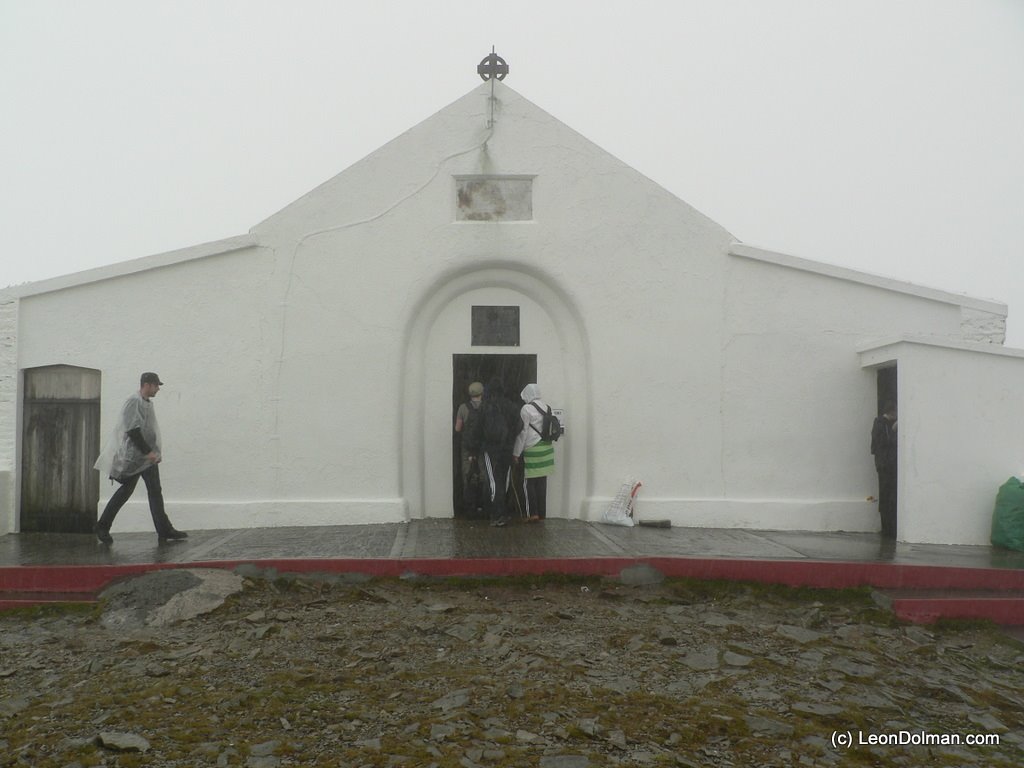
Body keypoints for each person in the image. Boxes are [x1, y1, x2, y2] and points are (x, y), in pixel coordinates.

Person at [93, 372, 188, 544]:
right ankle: (102, 526)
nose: (158, 389)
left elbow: (148, 429)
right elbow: (132, 430)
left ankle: (164, 529)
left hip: (146, 458)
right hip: (135, 458)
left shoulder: (146, 403)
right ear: (147, 384)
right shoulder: (133, 401)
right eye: (156, 385)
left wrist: (155, 451)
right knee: (126, 492)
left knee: (155, 492)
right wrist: (148, 452)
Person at [465, 377, 520, 527]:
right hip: (507, 449)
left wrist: (473, 449)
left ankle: (497, 514)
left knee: (494, 481)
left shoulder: (485, 407)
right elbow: (519, 427)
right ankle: (504, 512)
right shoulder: (512, 407)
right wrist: (509, 440)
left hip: (490, 450)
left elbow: (476, 430)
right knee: (505, 480)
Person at [513, 383, 556, 522]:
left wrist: (516, 452)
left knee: (529, 482)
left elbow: (523, 432)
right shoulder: (547, 407)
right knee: (542, 482)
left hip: (533, 448)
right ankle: (542, 513)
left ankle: (532, 513)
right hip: (547, 448)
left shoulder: (526, 408)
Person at [454, 381, 485, 519]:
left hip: (467, 448)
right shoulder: (487, 406)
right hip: (483, 447)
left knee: (468, 475)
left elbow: (458, 428)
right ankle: (483, 506)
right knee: (483, 475)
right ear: (482, 393)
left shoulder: (463, 408)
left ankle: (469, 509)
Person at [870, 401, 898, 540]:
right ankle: (887, 528)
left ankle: (890, 527)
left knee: (890, 496)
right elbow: (883, 443)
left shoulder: (881, 424)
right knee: (887, 496)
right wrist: (893, 430)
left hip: (887, 465)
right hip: (885, 465)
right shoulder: (881, 424)